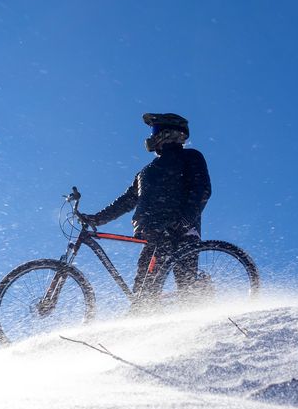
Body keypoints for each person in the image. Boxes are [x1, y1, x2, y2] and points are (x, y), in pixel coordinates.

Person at [84, 113, 211, 311]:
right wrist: (97, 219)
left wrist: (184, 220)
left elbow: (202, 189)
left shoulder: (190, 156)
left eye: (155, 131)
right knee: (143, 292)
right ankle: (142, 319)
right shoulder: (145, 172)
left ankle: (205, 315)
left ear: (168, 133)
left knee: (187, 290)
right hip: (152, 234)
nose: (151, 136)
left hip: (180, 231)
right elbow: (126, 201)